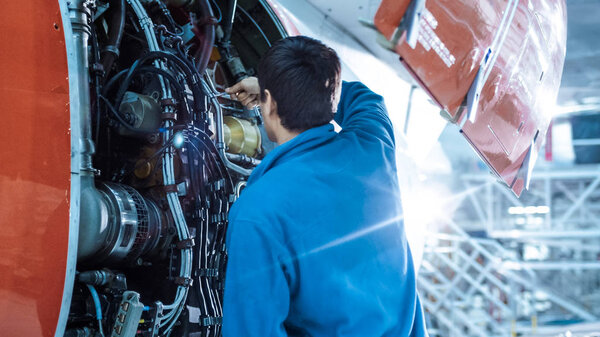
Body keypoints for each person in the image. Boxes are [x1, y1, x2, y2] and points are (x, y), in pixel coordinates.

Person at [222, 36, 427, 337]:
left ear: (269, 104)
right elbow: (364, 98)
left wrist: (281, 89)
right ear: (331, 97)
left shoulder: (257, 213)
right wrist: (303, 89)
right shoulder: (373, 146)